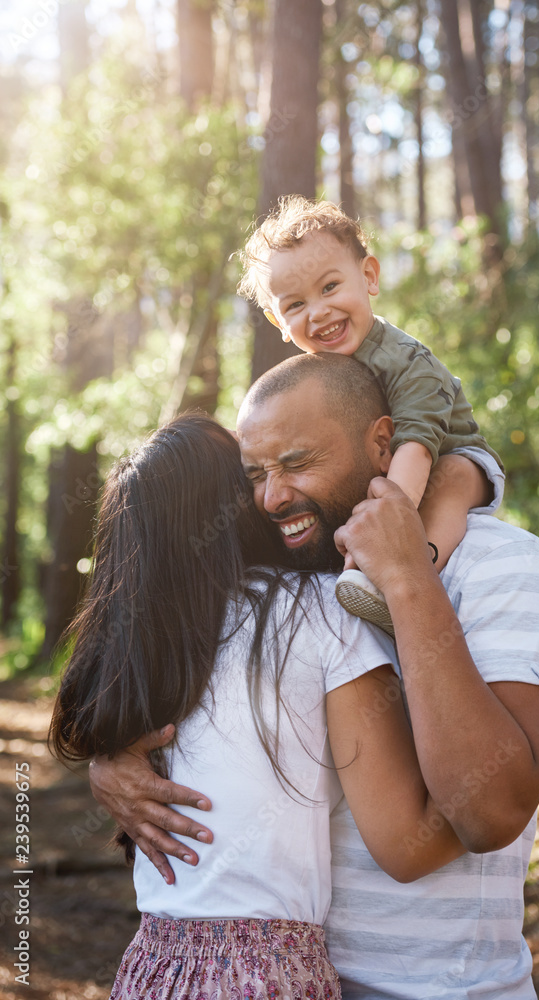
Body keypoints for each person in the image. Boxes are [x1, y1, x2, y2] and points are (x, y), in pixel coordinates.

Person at [90, 355, 539, 1000]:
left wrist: (409, 576)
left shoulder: (504, 569)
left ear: (383, 443)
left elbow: (490, 813)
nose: (271, 497)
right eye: (255, 476)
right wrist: (110, 759)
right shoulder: (297, 591)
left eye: (297, 463)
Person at [50, 412, 475, 1000]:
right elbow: (408, 845)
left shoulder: (142, 655)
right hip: (265, 975)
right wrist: (524, 762)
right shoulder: (322, 612)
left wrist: (103, 762)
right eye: (249, 475)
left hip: (151, 969)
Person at [237, 195, 504, 634]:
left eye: (329, 287)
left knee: (450, 483)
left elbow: (416, 448)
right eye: (296, 306)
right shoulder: (310, 381)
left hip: (451, 453)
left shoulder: (406, 361)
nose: (319, 312)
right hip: (387, 465)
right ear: (277, 322)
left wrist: (384, 528)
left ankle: (416, 568)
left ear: (369, 276)